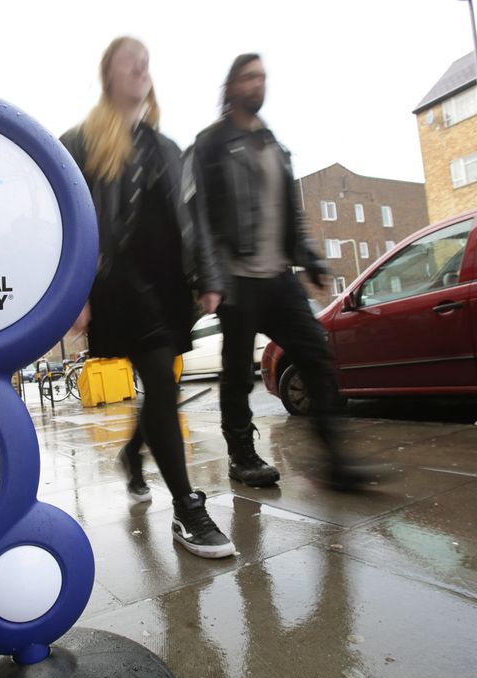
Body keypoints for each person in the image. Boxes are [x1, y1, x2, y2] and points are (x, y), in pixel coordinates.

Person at [61, 37, 235, 558]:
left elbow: (193, 219)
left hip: (167, 285)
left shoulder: (166, 148)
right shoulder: (79, 141)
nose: (140, 67)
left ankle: (135, 456)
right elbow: (63, 219)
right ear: (107, 75)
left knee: (163, 386)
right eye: (127, 61)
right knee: (161, 380)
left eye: (145, 62)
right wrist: (72, 292)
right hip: (116, 284)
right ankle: (186, 508)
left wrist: (207, 274)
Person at [185, 53, 369, 490]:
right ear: (230, 88)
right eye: (249, 77)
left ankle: (334, 460)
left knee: (317, 355)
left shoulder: (273, 145)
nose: (258, 83)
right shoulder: (211, 143)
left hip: (279, 277)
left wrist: (311, 259)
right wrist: (208, 277)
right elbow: (198, 217)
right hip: (237, 278)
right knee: (236, 372)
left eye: (263, 76)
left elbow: (290, 214)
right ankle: (242, 457)